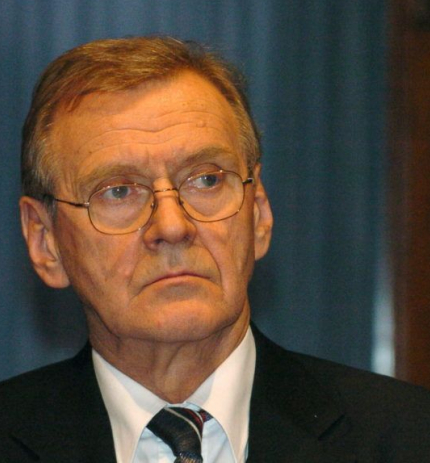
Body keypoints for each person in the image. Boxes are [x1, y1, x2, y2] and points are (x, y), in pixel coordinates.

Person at [0, 36, 429, 463]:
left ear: (258, 213)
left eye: (206, 180)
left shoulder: (410, 436)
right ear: (45, 241)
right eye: (118, 191)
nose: (172, 226)